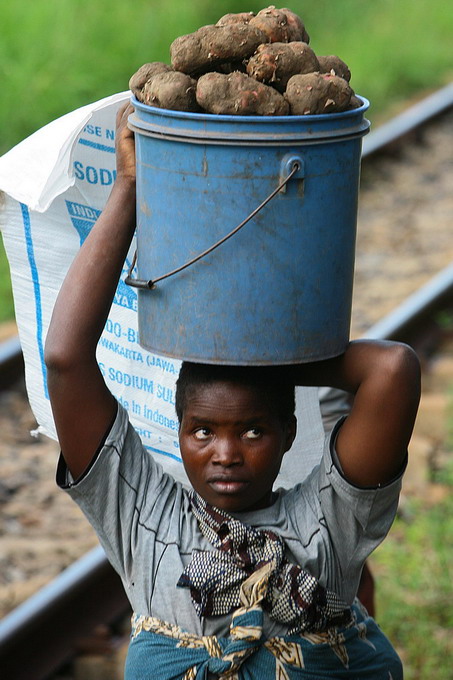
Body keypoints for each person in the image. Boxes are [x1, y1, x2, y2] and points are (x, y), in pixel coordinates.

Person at [45, 103, 421, 679]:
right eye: (203, 431)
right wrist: (129, 185)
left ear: (288, 431)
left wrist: (265, 361)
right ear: (177, 430)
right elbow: (65, 358)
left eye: (252, 429)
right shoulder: (144, 516)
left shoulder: (326, 523)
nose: (226, 453)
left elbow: (392, 372)